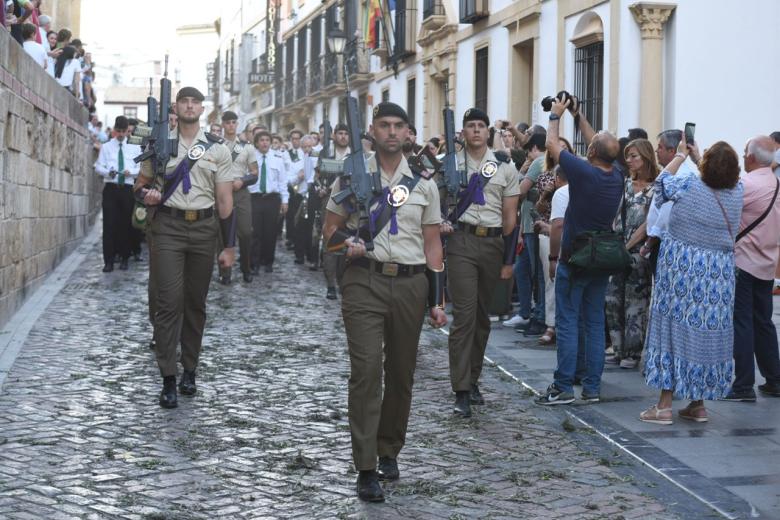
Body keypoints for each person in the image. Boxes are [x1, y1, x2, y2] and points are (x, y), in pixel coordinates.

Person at [323, 102, 446, 503]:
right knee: (365, 371)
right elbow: (328, 235)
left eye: (399, 126)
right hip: (364, 281)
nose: (391, 132)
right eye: (384, 125)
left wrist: (436, 300)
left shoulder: (424, 183)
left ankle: (389, 448)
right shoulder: (351, 175)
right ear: (372, 131)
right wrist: (350, 244)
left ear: (409, 133)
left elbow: (432, 245)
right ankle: (365, 466)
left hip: (410, 285)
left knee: (401, 373)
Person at [133, 87, 235, 408]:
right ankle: (168, 377)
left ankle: (190, 368)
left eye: (195, 102)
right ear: (176, 107)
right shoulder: (160, 143)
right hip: (168, 227)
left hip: (204, 229)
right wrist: (146, 195)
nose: (189, 106)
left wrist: (228, 245)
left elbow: (224, 201)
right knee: (168, 301)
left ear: (202, 108)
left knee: (195, 302)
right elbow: (140, 184)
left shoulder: (217, 149)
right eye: (184, 101)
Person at [639, 137, 742, 424]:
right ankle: (697, 404)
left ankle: (663, 406)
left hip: (681, 274)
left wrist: (683, 155)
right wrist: (701, 159)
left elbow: (659, 184)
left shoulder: (686, 186)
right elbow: (717, 182)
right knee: (704, 336)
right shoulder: (738, 192)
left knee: (673, 333)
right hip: (718, 279)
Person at [535, 94, 624, 406]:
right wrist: (579, 114)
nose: (592, 137)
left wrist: (556, 116)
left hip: (575, 256)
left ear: (592, 152)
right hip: (600, 258)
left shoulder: (583, 172)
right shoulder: (618, 176)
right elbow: (597, 143)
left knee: (568, 321)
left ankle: (562, 387)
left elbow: (552, 145)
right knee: (594, 323)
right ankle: (592, 388)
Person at [446, 108, 520, 418]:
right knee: (463, 317)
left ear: (488, 132)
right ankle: (461, 389)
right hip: (461, 242)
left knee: (481, 318)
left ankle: (473, 379)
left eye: (481, 126)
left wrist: (507, 259)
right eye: (470, 126)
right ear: (462, 132)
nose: (476, 131)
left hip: (491, 244)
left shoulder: (504, 167)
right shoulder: (449, 165)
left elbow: (510, 218)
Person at [723, 136, 780, 401]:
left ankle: (744, 384)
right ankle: (774, 379)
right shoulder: (775, 183)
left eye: (745, 152)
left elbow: (722, 204)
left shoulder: (747, 184)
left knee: (742, 322)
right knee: (764, 322)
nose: (743, 156)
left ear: (752, 157)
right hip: (767, 263)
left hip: (744, 262)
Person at [604, 139, 658, 369]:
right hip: (618, 247)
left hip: (639, 252)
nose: (629, 161)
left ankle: (633, 352)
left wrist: (628, 246)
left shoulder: (656, 187)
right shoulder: (625, 184)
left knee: (636, 303)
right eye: (627, 156)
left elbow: (650, 223)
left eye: (634, 156)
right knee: (612, 299)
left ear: (646, 157)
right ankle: (617, 348)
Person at [532, 137, 573, 345]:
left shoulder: (576, 177)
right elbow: (537, 210)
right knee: (550, 281)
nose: (561, 151)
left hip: (568, 235)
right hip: (549, 234)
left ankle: (563, 324)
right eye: (559, 148)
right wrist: (547, 193)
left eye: (565, 148)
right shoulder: (546, 176)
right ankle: (550, 323)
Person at [506, 133, 547, 335]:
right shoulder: (537, 163)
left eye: (527, 151)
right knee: (523, 269)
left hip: (533, 224)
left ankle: (538, 315)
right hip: (527, 224)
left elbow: (519, 191)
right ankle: (527, 312)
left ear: (533, 148)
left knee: (536, 273)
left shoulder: (539, 162)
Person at [641, 130, 698, 270]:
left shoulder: (679, 175)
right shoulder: (678, 172)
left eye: (660, 147)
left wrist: (649, 244)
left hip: (664, 244)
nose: (656, 150)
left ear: (672, 150)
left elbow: (665, 217)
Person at [94, 115, 137, 272]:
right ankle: (109, 261)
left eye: (123, 131)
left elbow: (140, 169)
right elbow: (98, 166)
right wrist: (108, 172)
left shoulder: (134, 148)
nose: (120, 134)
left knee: (125, 224)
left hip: (126, 188)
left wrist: (130, 171)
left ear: (127, 132)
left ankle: (125, 258)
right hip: (111, 188)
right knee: (109, 225)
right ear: (114, 130)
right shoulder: (106, 147)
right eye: (118, 131)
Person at [220, 110, 258, 284]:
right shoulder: (215, 146)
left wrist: (242, 181)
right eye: (227, 122)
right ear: (223, 124)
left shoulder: (246, 147)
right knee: (223, 234)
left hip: (241, 192)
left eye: (233, 122)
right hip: (221, 192)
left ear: (237, 124)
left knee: (245, 233)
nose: (231, 125)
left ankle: (246, 268)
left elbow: (255, 173)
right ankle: (225, 272)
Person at [248, 130, 288, 273]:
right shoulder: (251, 159)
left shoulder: (277, 159)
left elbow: (282, 181)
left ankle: (268, 261)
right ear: (257, 143)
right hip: (255, 198)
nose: (264, 142)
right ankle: (254, 263)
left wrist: (285, 201)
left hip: (272, 199)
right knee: (255, 232)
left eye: (267, 140)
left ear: (270, 143)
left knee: (270, 232)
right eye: (261, 140)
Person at [322, 123, 351, 299]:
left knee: (347, 240)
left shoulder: (355, 155)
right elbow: (319, 175)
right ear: (334, 135)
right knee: (330, 240)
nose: (343, 137)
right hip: (329, 199)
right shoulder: (326, 153)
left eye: (346, 133)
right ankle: (330, 284)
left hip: (349, 200)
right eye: (340, 133)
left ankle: (343, 281)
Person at [293, 135, 317, 266]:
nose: (308, 149)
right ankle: (299, 255)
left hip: (312, 197)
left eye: (310, 146)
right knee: (299, 227)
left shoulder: (317, 158)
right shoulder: (297, 160)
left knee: (311, 228)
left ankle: (311, 256)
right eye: (305, 147)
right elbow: (290, 180)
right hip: (300, 196)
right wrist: (298, 177)